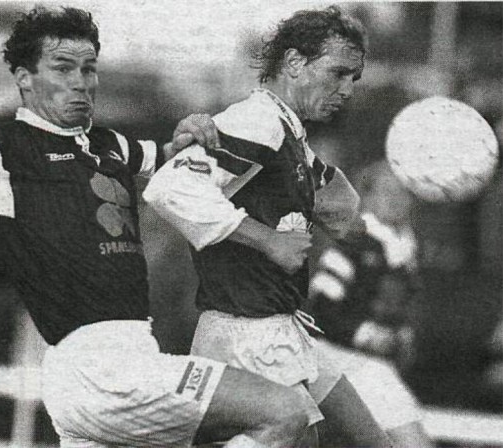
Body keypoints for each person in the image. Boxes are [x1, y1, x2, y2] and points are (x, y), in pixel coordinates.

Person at [0, 6, 326, 448]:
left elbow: (168, 158)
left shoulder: (108, 144)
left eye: (89, 68)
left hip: (116, 366)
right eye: (63, 68)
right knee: (286, 412)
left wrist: (191, 131)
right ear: (25, 78)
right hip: (102, 367)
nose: (81, 81)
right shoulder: (4, 148)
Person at [144, 6, 394, 447]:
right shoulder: (257, 121)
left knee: (373, 441)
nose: (346, 89)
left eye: (354, 78)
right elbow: (170, 187)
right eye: (337, 73)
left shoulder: (288, 133)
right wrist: (267, 240)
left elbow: (343, 213)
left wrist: (414, 174)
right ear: (294, 62)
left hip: (283, 328)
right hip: (246, 334)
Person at [309, 161, 435, 447]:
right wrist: (366, 334)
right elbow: (321, 310)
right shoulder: (352, 246)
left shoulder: (407, 249)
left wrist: (403, 335)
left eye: (402, 192)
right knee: (413, 442)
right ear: (366, 197)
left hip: (377, 365)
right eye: (385, 191)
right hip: (341, 359)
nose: (394, 199)